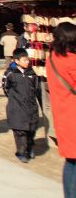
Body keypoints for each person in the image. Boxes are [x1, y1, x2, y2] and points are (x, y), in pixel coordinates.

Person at [46, 22, 76, 197]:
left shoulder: (52, 59)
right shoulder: (72, 61)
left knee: (71, 161)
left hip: (62, 114)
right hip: (73, 114)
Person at [2, 47, 41, 163]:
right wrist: (15, 98)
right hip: (16, 107)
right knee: (20, 130)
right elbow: (5, 87)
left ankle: (29, 148)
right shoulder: (10, 73)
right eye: (24, 60)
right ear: (16, 61)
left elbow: (37, 88)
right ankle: (21, 151)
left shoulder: (32, 73)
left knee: (31, 129)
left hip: (31, 106)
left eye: (28, 60)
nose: (27, 62)